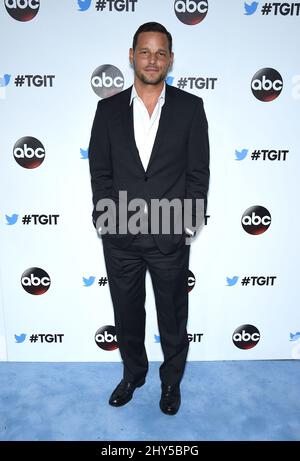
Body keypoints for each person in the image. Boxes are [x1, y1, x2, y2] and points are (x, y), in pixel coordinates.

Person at [88, 22, 209, 415]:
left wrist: (187, 225)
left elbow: (198, 173)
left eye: (160, 53)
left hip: (169, 234)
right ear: (131, 56)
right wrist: (105, 219)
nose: (152, 59)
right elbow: (101, 172)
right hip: (121, 235)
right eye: (145, 51)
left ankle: (171, 382)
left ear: (170, 60)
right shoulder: (107, 110)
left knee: (172, 314)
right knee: (126, 312)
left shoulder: (191, 108)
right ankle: (133, 374)